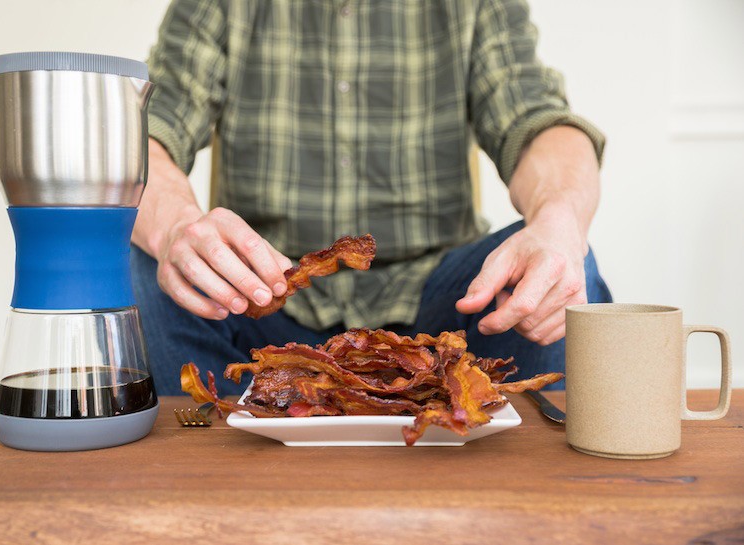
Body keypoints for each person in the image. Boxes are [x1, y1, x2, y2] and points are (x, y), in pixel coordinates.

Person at [130, 0, 612, 396]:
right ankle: (212, 459)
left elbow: (534, 118)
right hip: (260, 301)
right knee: (145, 259)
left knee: (561, 262)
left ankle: (523, 476)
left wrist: (558, 222)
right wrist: (175, 227)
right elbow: (149, 129)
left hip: (443, 305)